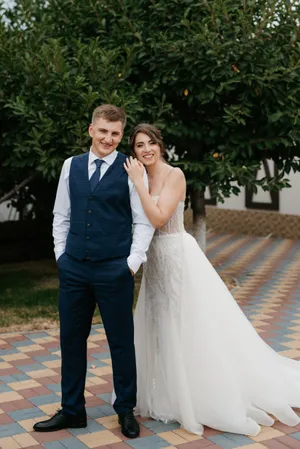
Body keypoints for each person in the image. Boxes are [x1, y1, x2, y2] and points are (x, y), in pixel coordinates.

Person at [124, 123, 300, 436]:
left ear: (160, 145)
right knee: (160, 324)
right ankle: (167, 390)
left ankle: (199, 391)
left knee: (188, 324)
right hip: (155, 263)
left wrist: (138, 183)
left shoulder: (173, 174)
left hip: (178, 256)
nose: (146, 149)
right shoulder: (140, 177)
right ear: (134, 151)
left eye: (150, 143)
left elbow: (159, 218)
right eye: (139, 145)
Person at [33, 106, 154, 439]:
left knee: (120, 343)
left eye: (115, 134)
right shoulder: (70, 166)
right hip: (74, 268)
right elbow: (61, 215)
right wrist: (61, 256)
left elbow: (142, 221)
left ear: (120, 135)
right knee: (71, 341)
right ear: (91, 130)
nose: (108, 139)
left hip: (114, 269)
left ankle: (126, 410)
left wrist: (130, 264)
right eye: (103, 131)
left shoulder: (132, 169)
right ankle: (72, 410)